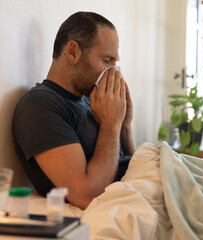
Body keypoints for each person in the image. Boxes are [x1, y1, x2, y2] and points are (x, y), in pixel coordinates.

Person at [12, 11, 135, 210]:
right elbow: (86, 195)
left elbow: (127, 164)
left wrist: (125, 126)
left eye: (115, 62)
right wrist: (111, 126)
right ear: (72, 52)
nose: (114, 71)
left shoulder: (91, 100)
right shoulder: (40, 105)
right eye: (106, 60)